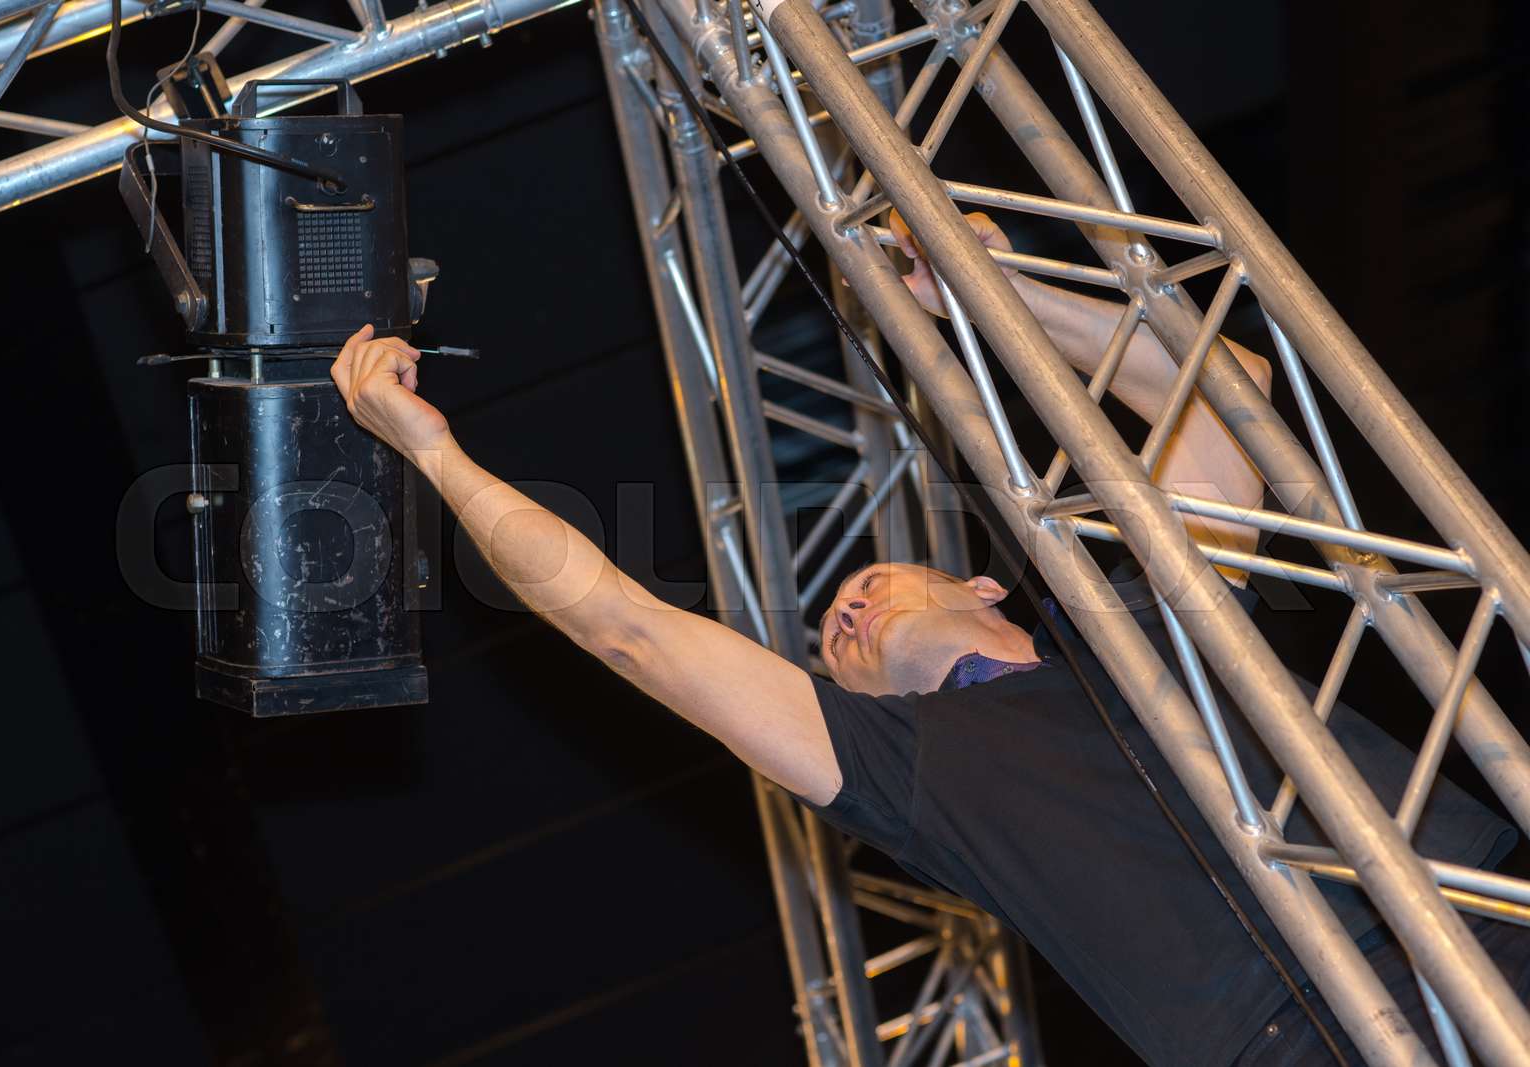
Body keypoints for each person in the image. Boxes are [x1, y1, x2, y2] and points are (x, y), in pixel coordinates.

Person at [329, 212, 1529, 1066]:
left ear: (981, 585)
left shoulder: (1136, 618)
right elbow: (625, 626)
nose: (842, 617)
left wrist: (995, 297)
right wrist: (436, 454)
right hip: (1288, 1037)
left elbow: (1229, 393)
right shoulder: (899, 768)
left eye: (870, 582)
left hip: (1476, 903)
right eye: (831, 643)